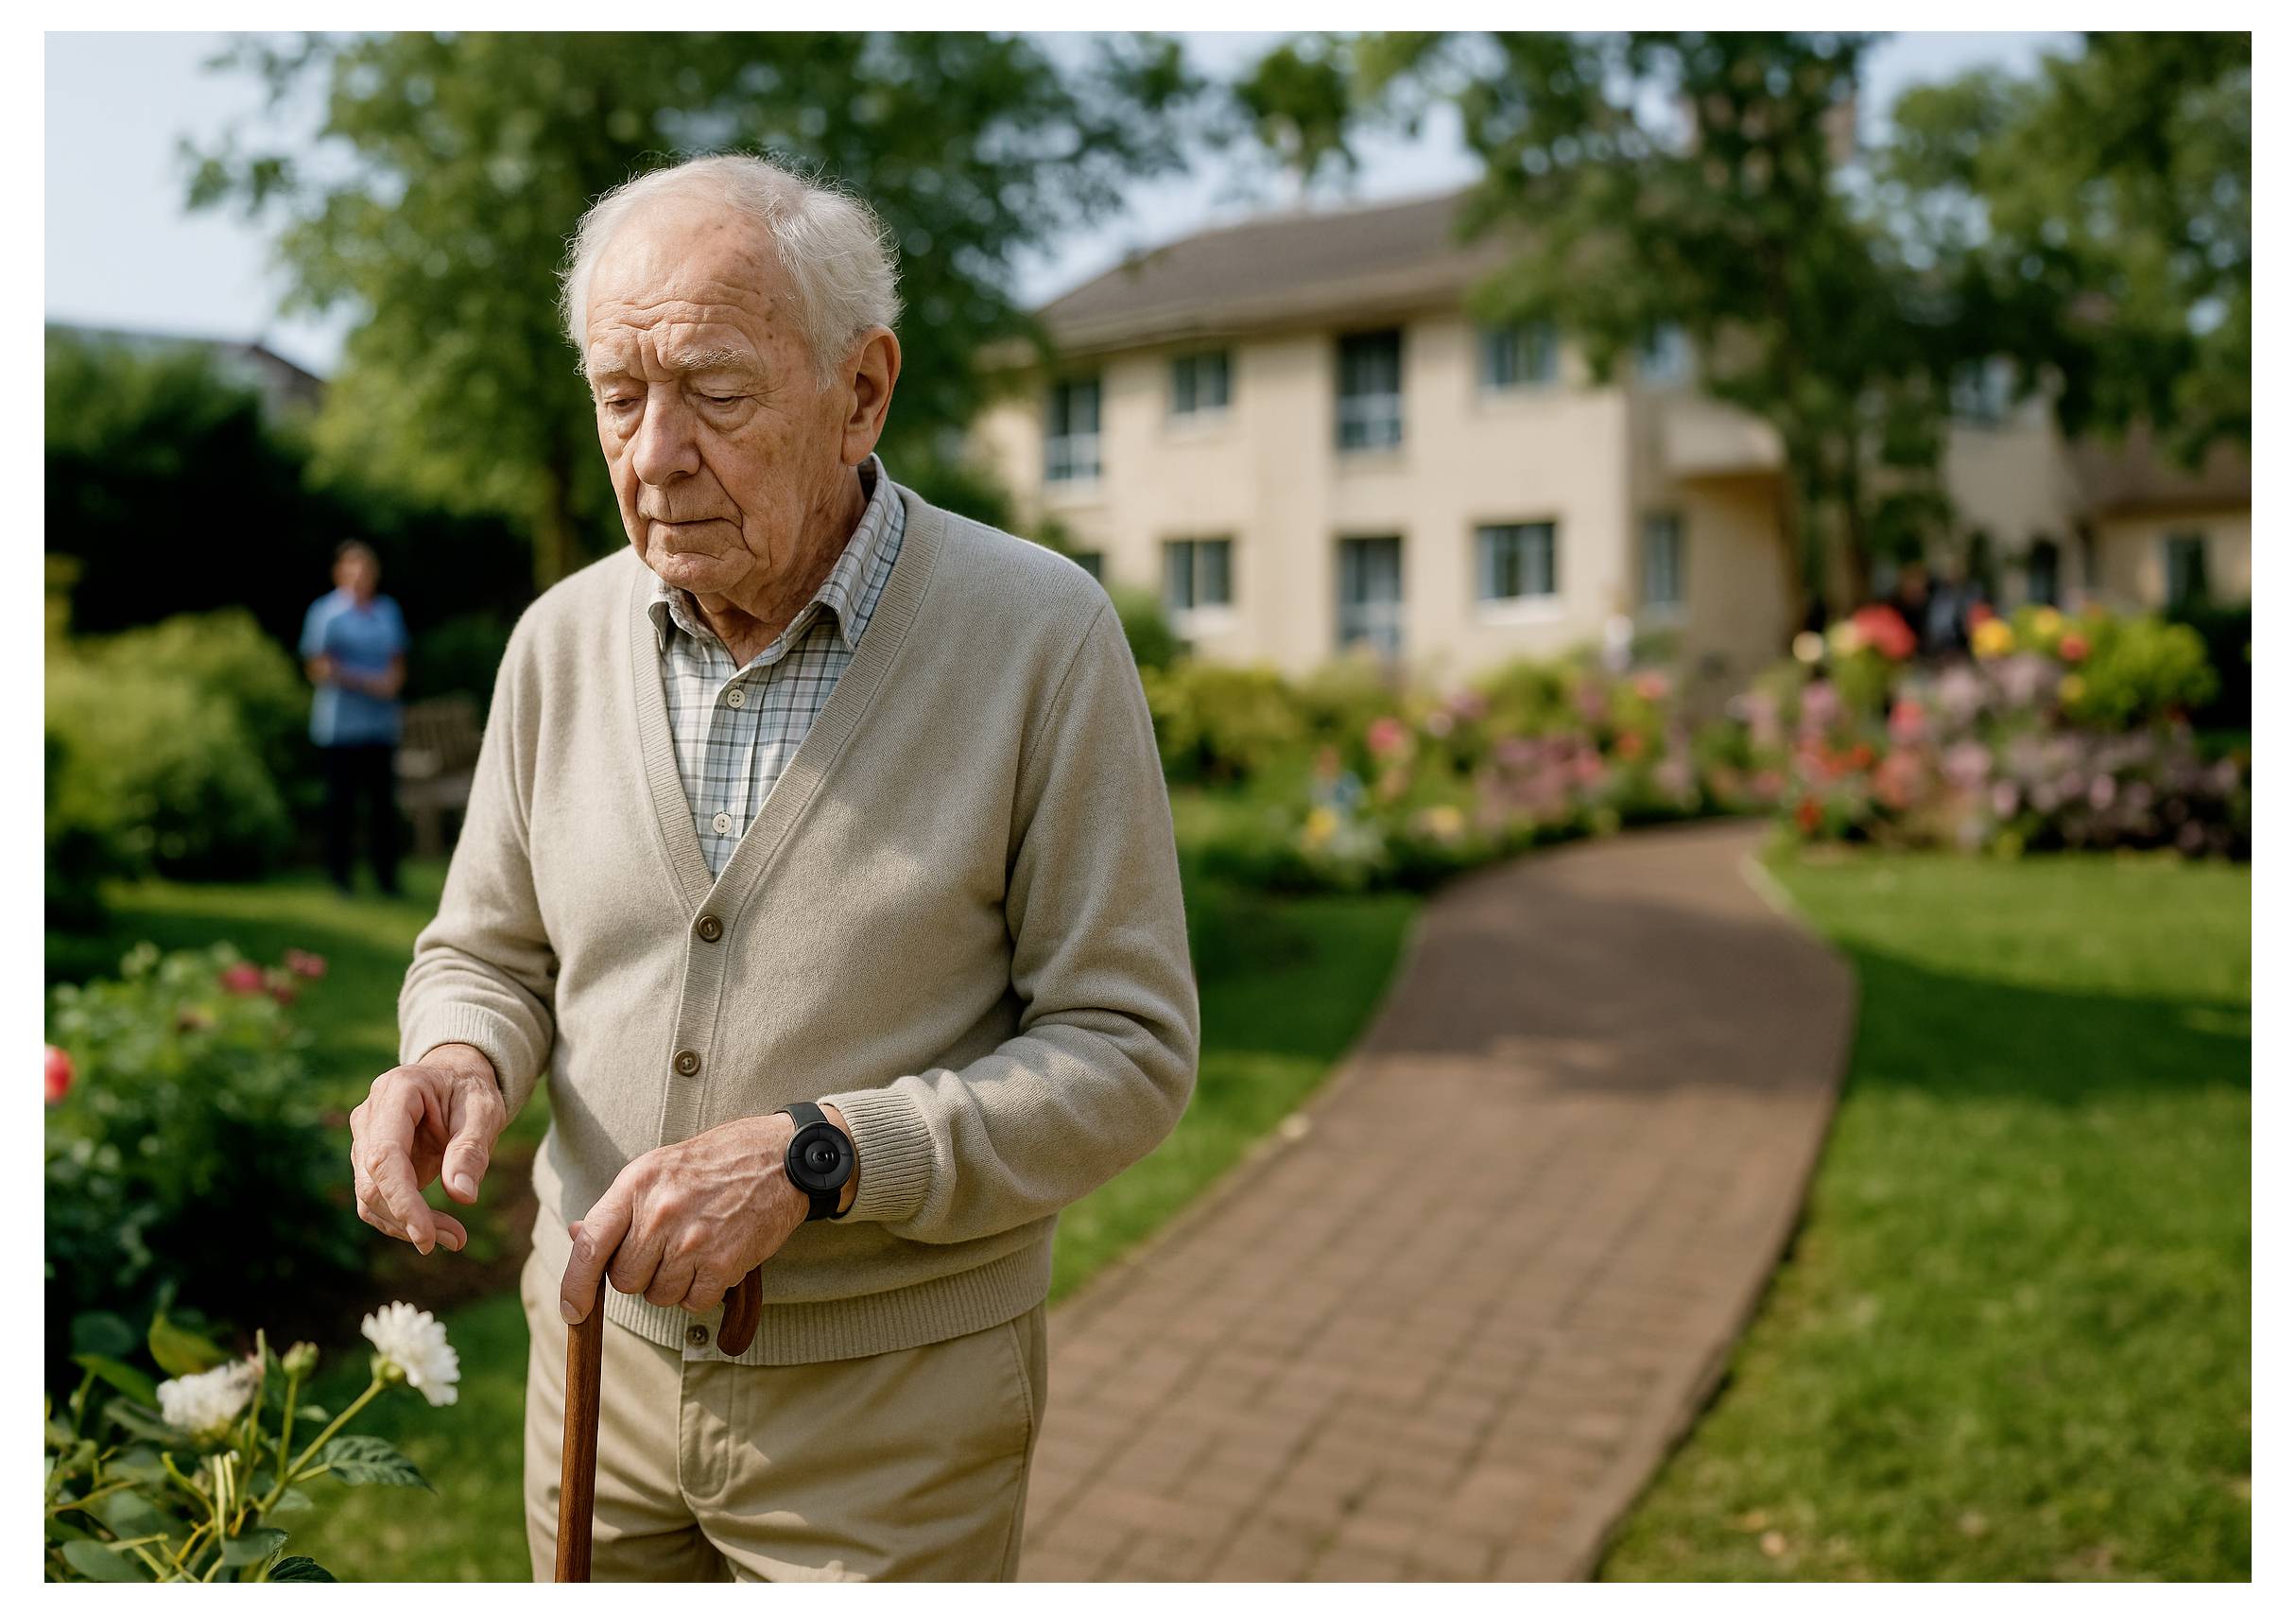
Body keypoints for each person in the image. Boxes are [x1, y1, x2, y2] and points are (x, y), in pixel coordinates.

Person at [346, 153, 1200, 1582]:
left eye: (715, 392)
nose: (654, 452)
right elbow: (487, 947)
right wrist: (457, 1053)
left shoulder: (1040, 637)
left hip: (893, 1414)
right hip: (592, 1377)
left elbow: (1127, 1047)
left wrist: (824, 1156)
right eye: (619, 395)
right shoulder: (557, 639)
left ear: (861, 392)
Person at [301, 540, 408, 895]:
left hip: (380, 726)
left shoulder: (387, 611)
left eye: (367, 569)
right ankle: (340, 877)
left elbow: (397, 662)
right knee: (341, 807)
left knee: (382, 807)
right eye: (354, 568)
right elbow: (318, 665)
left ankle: (387, 879)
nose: (361, 576)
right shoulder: (326, 613)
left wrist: (388, 683)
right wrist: (366, 682)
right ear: (340, 573)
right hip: (341, 727)